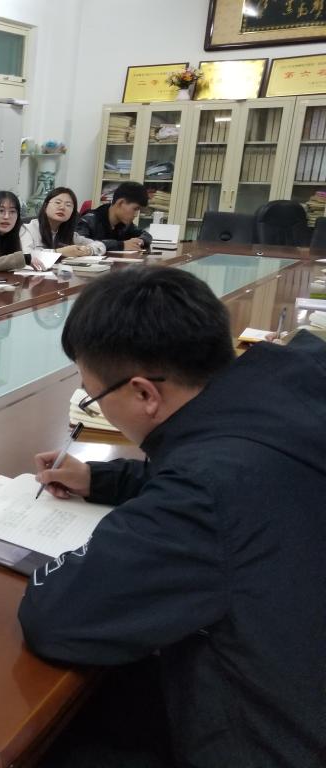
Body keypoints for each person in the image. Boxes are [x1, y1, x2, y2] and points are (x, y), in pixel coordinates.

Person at [19, 266, 326, 767]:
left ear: (144, 393)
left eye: (94, 396)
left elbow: (55, 616)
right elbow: (229, 469)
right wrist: (102, 479)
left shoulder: (204, 494)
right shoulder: (295, 381)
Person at [20, 187, 105, 263]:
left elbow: (100, 246)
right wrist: (59, 252)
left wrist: (89, 250)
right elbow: (26, 256)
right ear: (45, 206)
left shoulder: (69, 234)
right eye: (57, 202)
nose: (62, 207)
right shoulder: (28, 229)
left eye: (68, 205)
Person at [76, 181, 153, 252]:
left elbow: (146, 235)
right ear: (120, 203)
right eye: (135, 209)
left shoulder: (125, 225)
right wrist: (122, 245)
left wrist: (140, 241)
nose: (136, 214)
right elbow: (80, 244)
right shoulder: (88, 220)